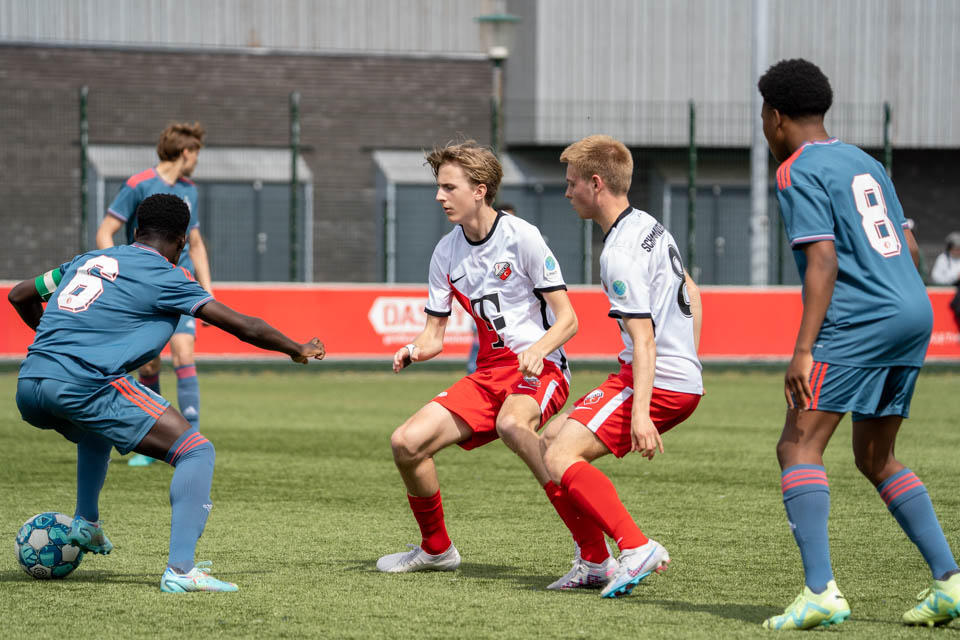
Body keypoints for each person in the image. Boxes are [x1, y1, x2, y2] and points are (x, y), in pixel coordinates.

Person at [10, 194, 325, 592]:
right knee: (195, 451)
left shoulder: (86, 261)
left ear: (135, 230)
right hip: (83, 382)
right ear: (180, 241)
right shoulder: (168, 274)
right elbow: (242, 325)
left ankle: (86, 523)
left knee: (96, 428)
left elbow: (20, 294)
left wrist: (55, 344)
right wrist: (295, 347)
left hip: (30, 384)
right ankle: (180, 570)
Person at [757, 58, 959, 630]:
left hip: (860, 320)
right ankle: (949, 582)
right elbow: (913, 249)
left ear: (774, 116)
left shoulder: (797, 169)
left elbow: (821, 259)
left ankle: (820, 591)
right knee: (875, 456)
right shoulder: (866, 162)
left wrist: (803, 349)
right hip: (913, 311)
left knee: (797, 447)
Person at [376, 141, 578, 573]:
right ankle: (436, 550)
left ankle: (592, 551)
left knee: (513, 425)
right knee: (406, 444)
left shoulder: (521, 236)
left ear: (480, 190)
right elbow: (434, 336)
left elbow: (569, 320)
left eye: (449, 187)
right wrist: (414, 349)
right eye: (439, 187)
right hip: (489, 375)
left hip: (541, 368)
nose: (439, 196)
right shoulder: (445, 254)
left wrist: (539, 350)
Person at [539, 135, 703, 598]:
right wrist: (691, 359)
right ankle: (593, 562)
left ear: (596, 184)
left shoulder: (618, 254)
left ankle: (635, 546)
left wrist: (641, 414)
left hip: (656, 380)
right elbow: (692, 289)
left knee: (557, 456)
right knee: (548, 440)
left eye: (572, 184)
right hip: (670, 374)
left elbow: (644, 340)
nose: (567, 193)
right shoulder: (648, 224)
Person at [95, 122, 212, 466]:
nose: (196, 162)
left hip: (179, 284)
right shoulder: (137, 184)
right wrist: (117, 271)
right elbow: (106, 232)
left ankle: (192, 437)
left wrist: (207, 289)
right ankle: (153, 440)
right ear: (187, 152)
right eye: (197, 155)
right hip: (143, 287)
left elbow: (196, 244)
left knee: (183, 350)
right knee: (148, 361)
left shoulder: (190, 191)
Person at [466, 202, 517, 374]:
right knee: (480, 349)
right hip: (485, 311)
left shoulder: (520, 244)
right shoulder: (484, 246)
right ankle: (474, 373)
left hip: (509, 316)